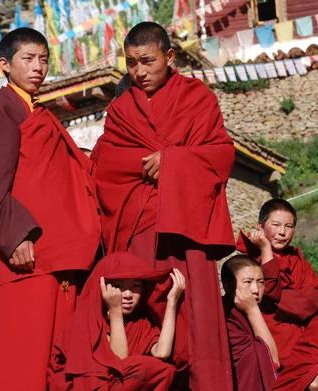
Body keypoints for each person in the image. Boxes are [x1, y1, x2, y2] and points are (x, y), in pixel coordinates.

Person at [91, 22, 235, 390]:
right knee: (148, 317)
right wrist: (154, 163)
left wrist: (173, 162)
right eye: (131, 63)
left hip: (187, 230)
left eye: (147, 61)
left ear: (169, 57)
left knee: (197, 318)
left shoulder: (197, 96)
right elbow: (107, 165)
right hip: (143, 230)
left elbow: (219, 155)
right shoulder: (120, 109)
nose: (138, 72)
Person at [0, 28, 101, 390]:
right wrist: (15, 236)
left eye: (43, 60)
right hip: (27, 250)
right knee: (23, 352)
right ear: (5, 65)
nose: (38, 67)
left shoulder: (42, 115)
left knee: (56, 355)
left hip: (61, 252)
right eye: (28, 58)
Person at [49, 252, 184, 390]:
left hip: (117, 385)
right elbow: (119, 361)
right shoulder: (86, 319)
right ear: (103, 286)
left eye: (136, 286)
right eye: (119, 286)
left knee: (164, 370)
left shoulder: (140, 323)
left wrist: (172, 301)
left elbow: (162, 352)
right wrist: (114, 310)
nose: (127, 295)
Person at [236, 198, 318, 365]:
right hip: (271, 341)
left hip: (303, 343)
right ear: (261, 226)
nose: (282, 232)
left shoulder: (296, 259)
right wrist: (265, 249)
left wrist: (280, 301)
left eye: (289, 227)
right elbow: (268, 293)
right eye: (276, 225)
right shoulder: (248, 262)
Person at [220, 255, 279, 391]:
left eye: (261, 282)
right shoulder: (224, 316)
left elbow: (272, 362)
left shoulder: (254, 314)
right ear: (228, 285)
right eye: (248, 282)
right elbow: (272, 361)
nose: (256, 290)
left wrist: (252, 310)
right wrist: (252, 310)